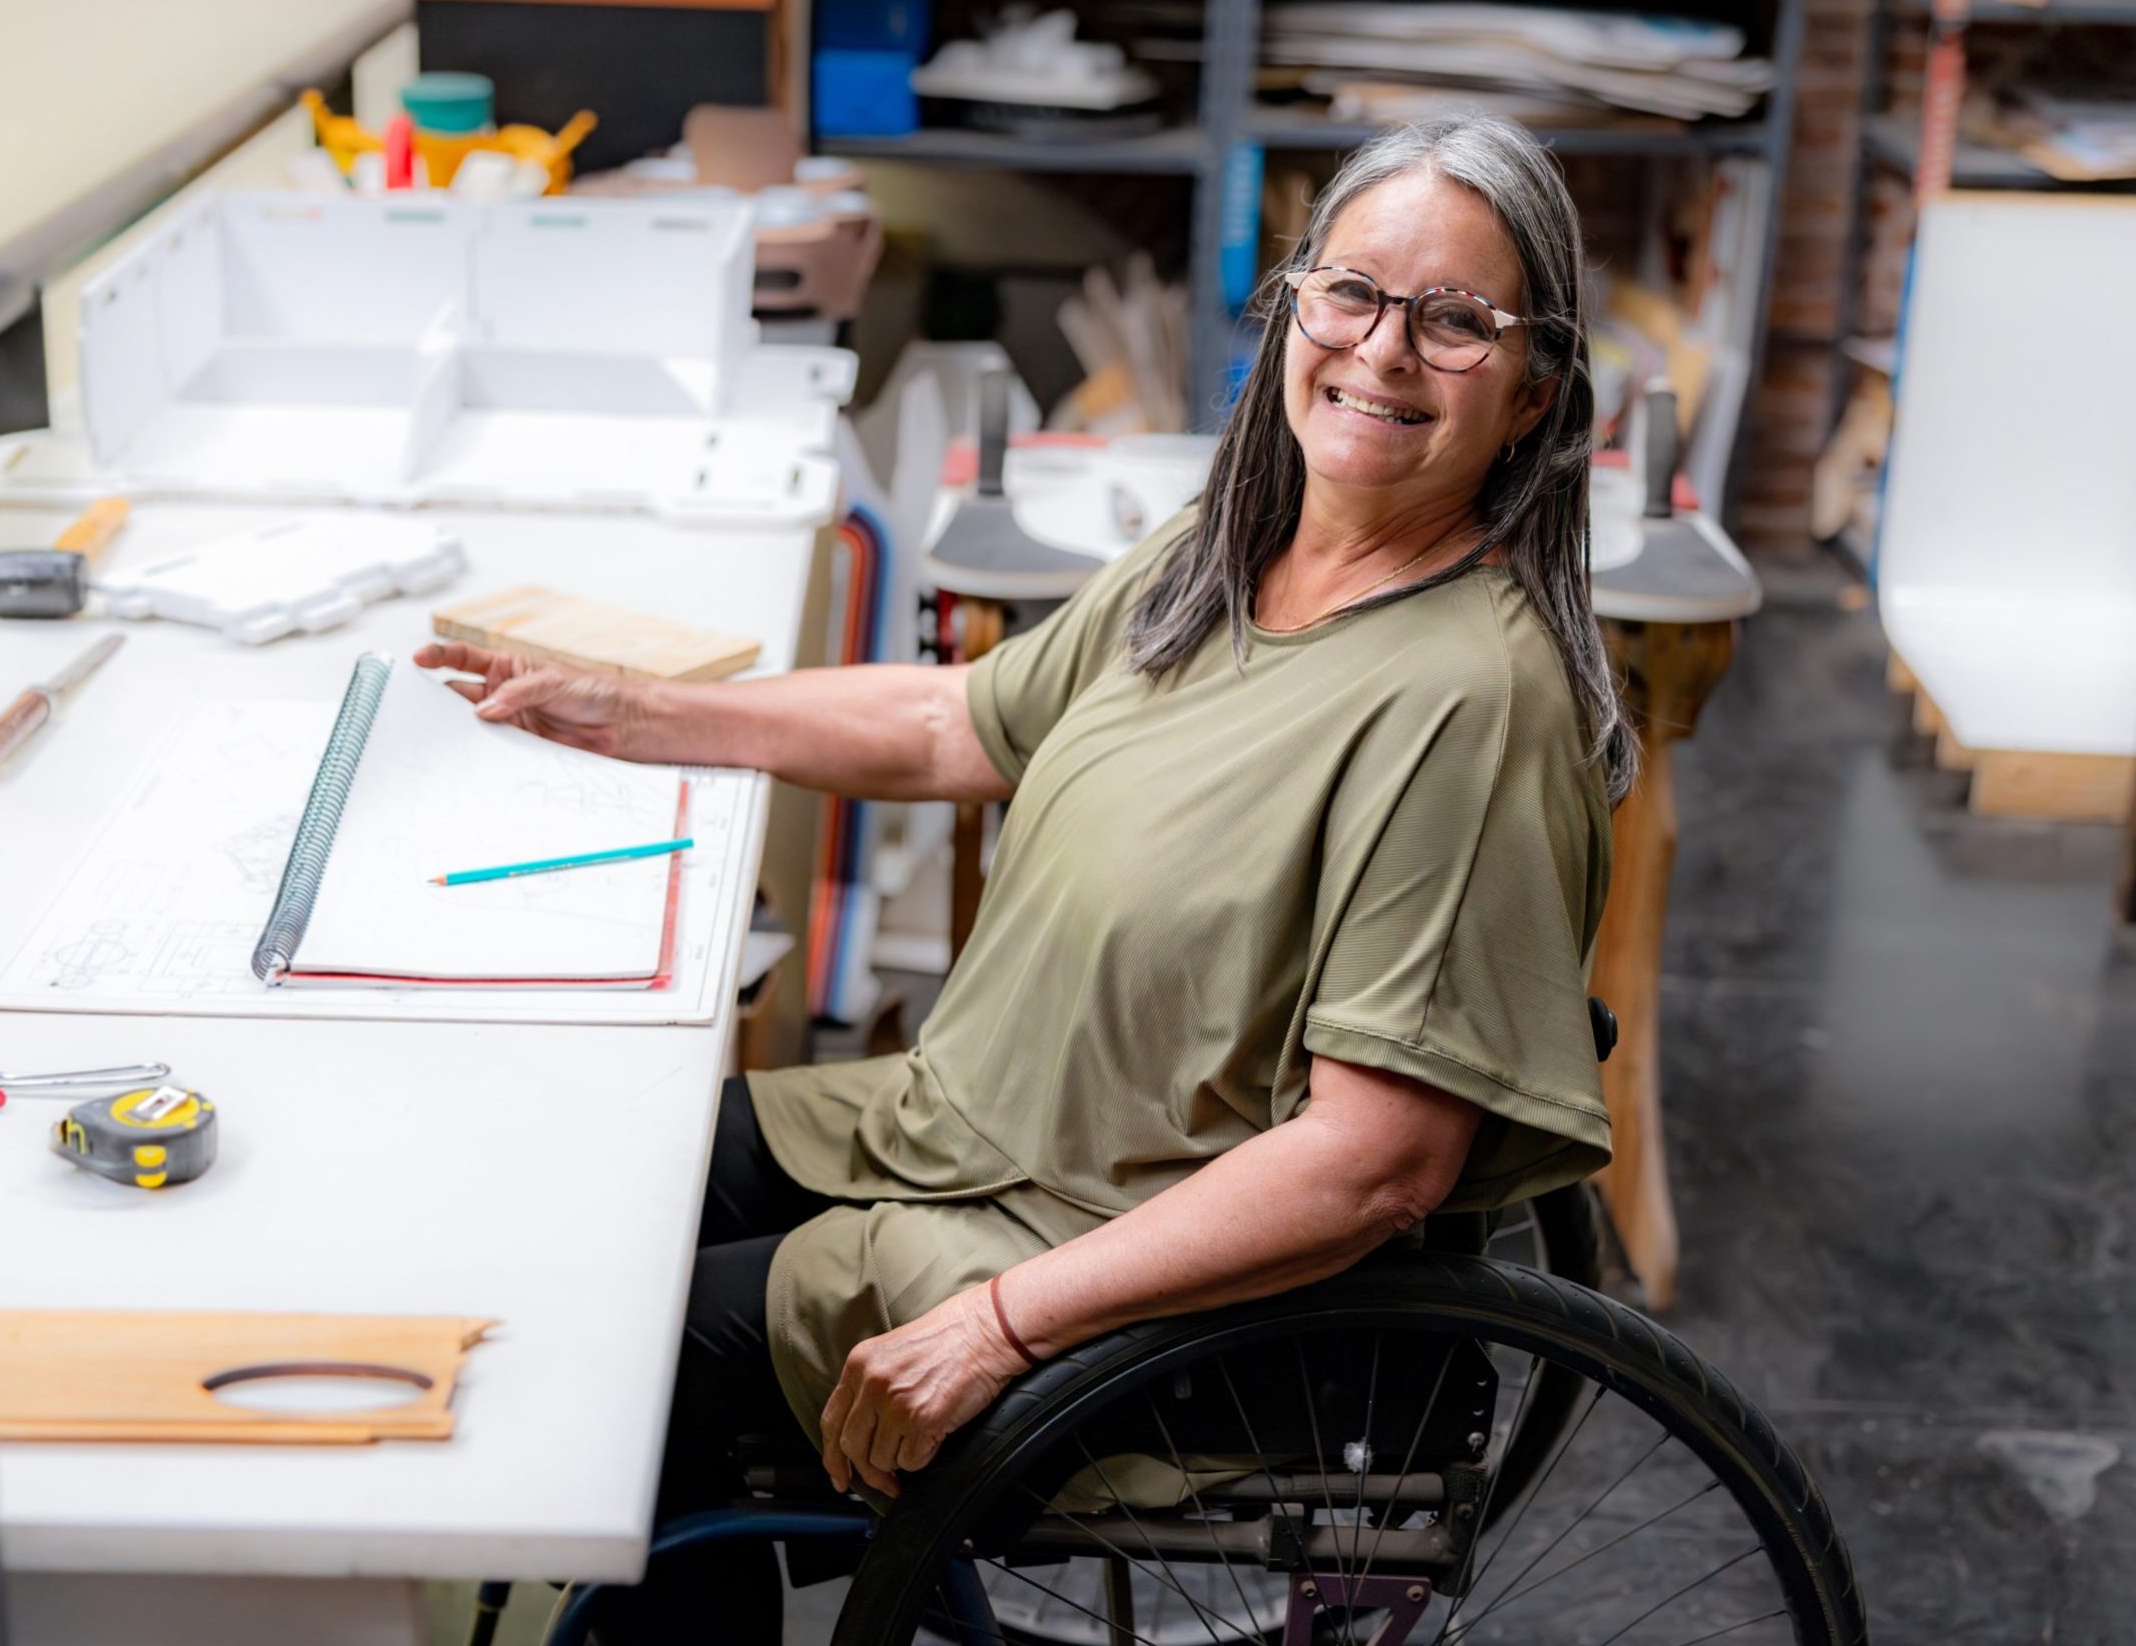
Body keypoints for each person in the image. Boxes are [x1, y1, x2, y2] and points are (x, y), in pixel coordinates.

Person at [416, 113, 1632, 1643]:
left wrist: (994, 1324)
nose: (1383, 349)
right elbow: (956, 722)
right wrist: (640, 713)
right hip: (977, 1125)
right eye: (1352, 292)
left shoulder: (1468, 704)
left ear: (1533, 392)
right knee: (611, 1179)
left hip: (1113, 1261)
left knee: (618, 1349)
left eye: (1454, 320)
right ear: (1292, 308)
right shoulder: (1231, 554)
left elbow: (1371, 1163)